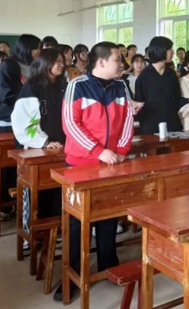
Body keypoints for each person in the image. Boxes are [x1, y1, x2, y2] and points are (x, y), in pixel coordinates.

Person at [56, 42, 139, 301]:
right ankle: (72, 275)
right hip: (80, 164)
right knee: (76, 223)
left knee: (108, 216)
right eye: (118, 59)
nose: (122, 64)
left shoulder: (120, 86)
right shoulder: (77, 85)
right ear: (101, 61)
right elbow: (70, 124)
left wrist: (121, 150)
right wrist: (97, 151)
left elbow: (128, 121)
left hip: (111, 162)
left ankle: (108, 265)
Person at [11, 48, 66, 253]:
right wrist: (43, 141)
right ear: (45, 63)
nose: (61, 64)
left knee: (56, 191)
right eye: (56, 61)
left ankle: (53, 232)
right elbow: (23, 120)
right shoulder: (32, 86)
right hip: (36, 148)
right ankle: (31, 234)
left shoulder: (62, 85)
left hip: (59, 147)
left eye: (62, 61)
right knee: (35, 192)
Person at [0, 34, 41, 220]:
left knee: (24, 165)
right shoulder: (8, 66)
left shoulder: (34, 66)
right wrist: (28, 103)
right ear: (26, 48)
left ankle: (23, 204)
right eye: (36, 48)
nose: (39, 52)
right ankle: (3, 204)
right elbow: (5, 95)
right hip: (9, 121)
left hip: (29, 121)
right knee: (7, 167)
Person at [134, 37, 189, 135]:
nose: (173, 52)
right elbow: (139, 104)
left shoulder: (171, 75)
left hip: (172, 125)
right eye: (169, 49)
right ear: (160, 50)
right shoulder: (144, 77)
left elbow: (176, 100)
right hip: (151, 127)